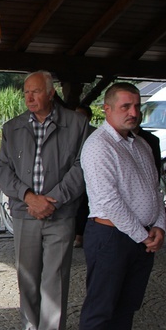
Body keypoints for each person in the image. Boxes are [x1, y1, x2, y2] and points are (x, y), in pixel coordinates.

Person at [0, 70, 89, 330]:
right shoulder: (13, 127)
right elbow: (1, 167)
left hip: (60, 213)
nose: (29, 97)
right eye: (25, 93)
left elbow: (82, 166)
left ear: (51, 93)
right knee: (28, 277)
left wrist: (54, 199)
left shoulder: (77, 124)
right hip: (25, 213)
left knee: (54, 279)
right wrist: (28, 197)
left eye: (35, 92)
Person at [77, 82, 165, 330]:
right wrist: (144, 236)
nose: (133, 112)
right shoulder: (98, 145)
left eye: (137, 106)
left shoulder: (140, 144)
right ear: (108, 109)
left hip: (141, 238)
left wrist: (160, 227)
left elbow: (155, 190)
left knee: (127, 307)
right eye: (126, 106)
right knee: (100, 307)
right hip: (111, 237)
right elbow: (109, 202)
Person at [73, 105, 97, 248]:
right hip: (73, 175)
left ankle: (80, 235)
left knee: (84, 206)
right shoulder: (69, 133)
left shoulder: (94, 134)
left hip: (90, 176)